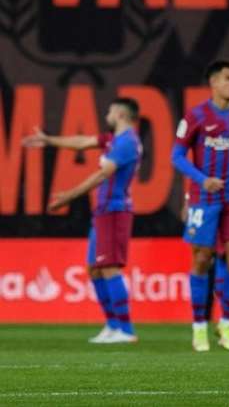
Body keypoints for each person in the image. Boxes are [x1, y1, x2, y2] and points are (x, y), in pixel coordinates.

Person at [23, 98, 142, 343]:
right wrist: (49, 140)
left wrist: (69, 195)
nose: (106, 114)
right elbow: (82, 142)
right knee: (94, 268)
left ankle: (125, 330)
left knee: (109, 267)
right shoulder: (113, 140)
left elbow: (102, 174)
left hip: (114, 210)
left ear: (120, 114)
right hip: (102, 211)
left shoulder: (127, 142)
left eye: (109, 109)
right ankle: (111, 326)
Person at [172, 60, 229, 352]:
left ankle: (228, 322)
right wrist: (201, 179)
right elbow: (177, 156)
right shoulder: (196, 116)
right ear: (214, 82)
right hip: (204, 198)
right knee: (202, 259)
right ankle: (199, 328)